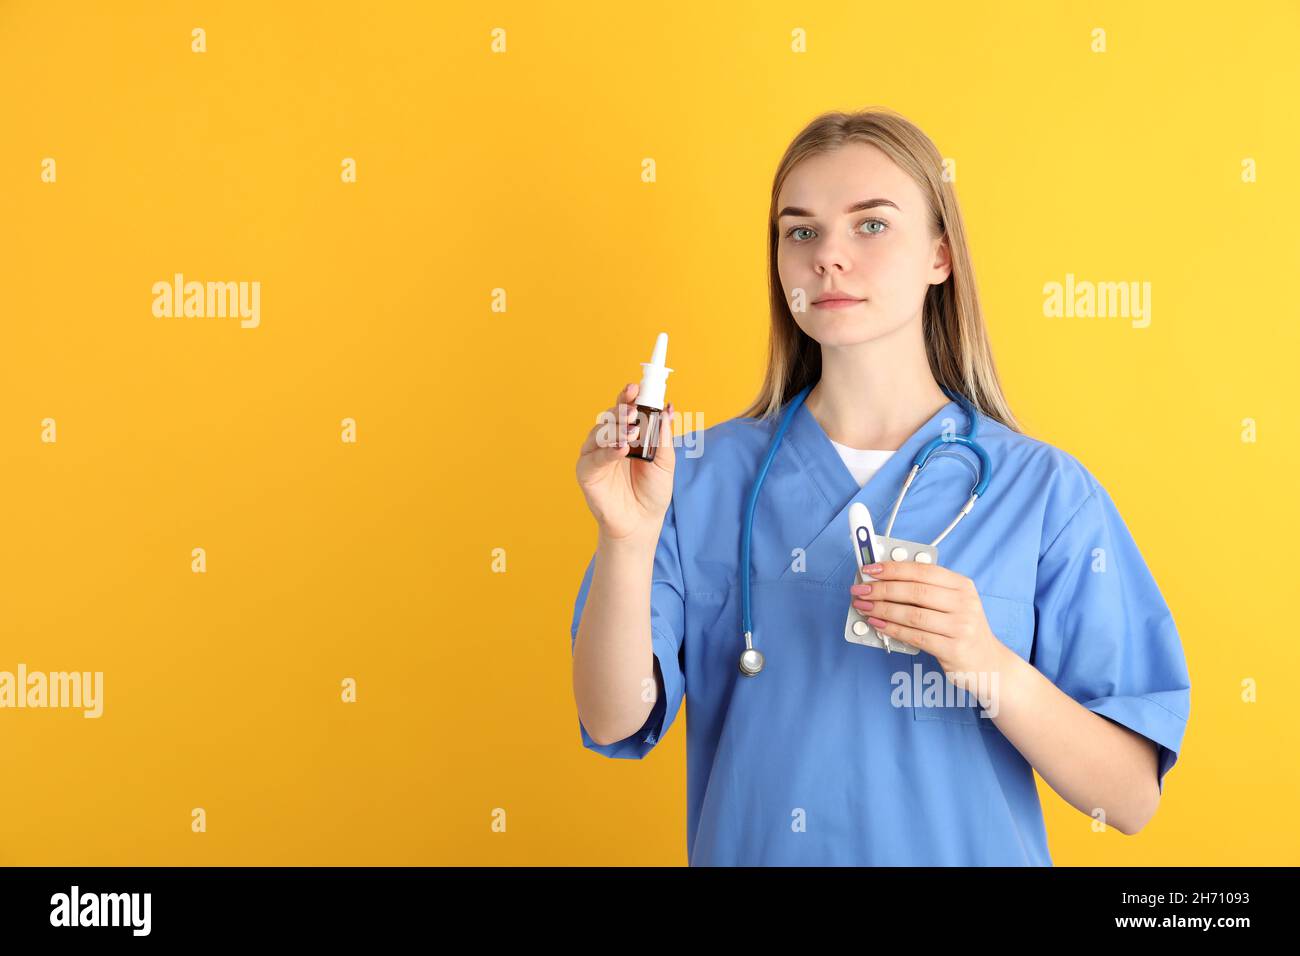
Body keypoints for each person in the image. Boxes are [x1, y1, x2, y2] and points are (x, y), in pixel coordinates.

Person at [569, 108, 1191, 866]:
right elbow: (610, 719)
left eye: (870, 226)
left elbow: (1127, 800)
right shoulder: (689, 477)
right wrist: (625, 541)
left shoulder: (1045, 494)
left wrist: (983, 661)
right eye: (800, 232)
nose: (828, 256)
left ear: (940, 254)